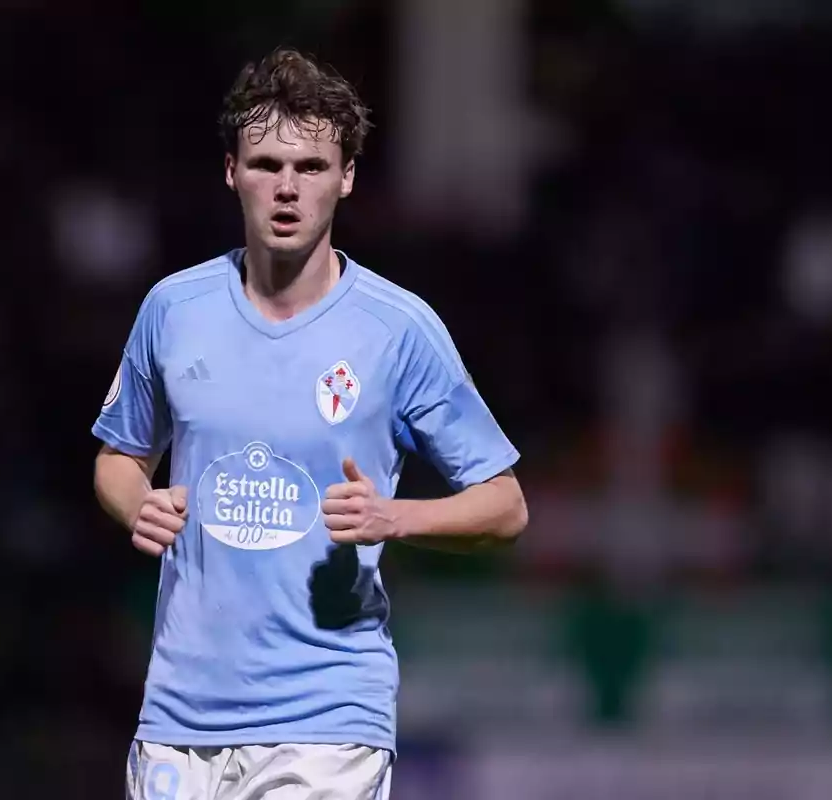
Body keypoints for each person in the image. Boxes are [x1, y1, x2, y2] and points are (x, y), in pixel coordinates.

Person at [93, 47, 528, 800]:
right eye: (265, 164)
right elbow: (118, 458)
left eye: (312, 167)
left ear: (347, 177)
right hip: (179, 714)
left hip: (328, 717)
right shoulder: (174, 310)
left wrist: (395, 516)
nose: (287, 188)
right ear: (231, 171)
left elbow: (506, 505)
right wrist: (138, 503)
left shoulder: (397, 330)